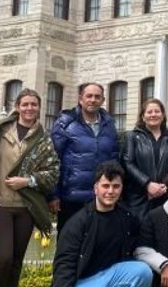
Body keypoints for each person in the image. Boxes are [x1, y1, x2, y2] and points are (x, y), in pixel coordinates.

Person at [0, 88, 60, 287]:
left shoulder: (44, 138)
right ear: (17, 107)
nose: (29, 108)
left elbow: (52, 173)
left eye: (34, 104)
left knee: (16, 262)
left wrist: (27, 181)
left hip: (26, 206)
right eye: (25, 104)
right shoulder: (0, 131)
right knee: (3, 259)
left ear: (39, 108)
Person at [52, 161, 152, 287]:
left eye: (116, 186)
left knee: (143, 271)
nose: (110, 191)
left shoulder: (127, 218)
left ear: (122, 188)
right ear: (95, 189)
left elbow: (140, 246)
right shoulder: (78, 223)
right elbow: (64, 264)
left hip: (112, 276)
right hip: (84, 281)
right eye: (105, 186)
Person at [50, 82, 119, 232]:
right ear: (81, 99)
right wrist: (53, 195)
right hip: (71, 197)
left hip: (101, 197)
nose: (93, 100)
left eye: (97, 97)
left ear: (103, 100)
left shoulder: (109, 125)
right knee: (69, 246)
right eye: (89, 96)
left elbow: (114, 160)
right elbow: (53, 160)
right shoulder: (65, 124)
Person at [122, 98, 168, 218]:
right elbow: (128, 163)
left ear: (163, 115)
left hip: (166, 195)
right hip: (139, 197)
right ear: (143, 116)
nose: (153, 114)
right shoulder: (133, 137)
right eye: (149, 112)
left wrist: (164, 186)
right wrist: (147, 184)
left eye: (157, 111)